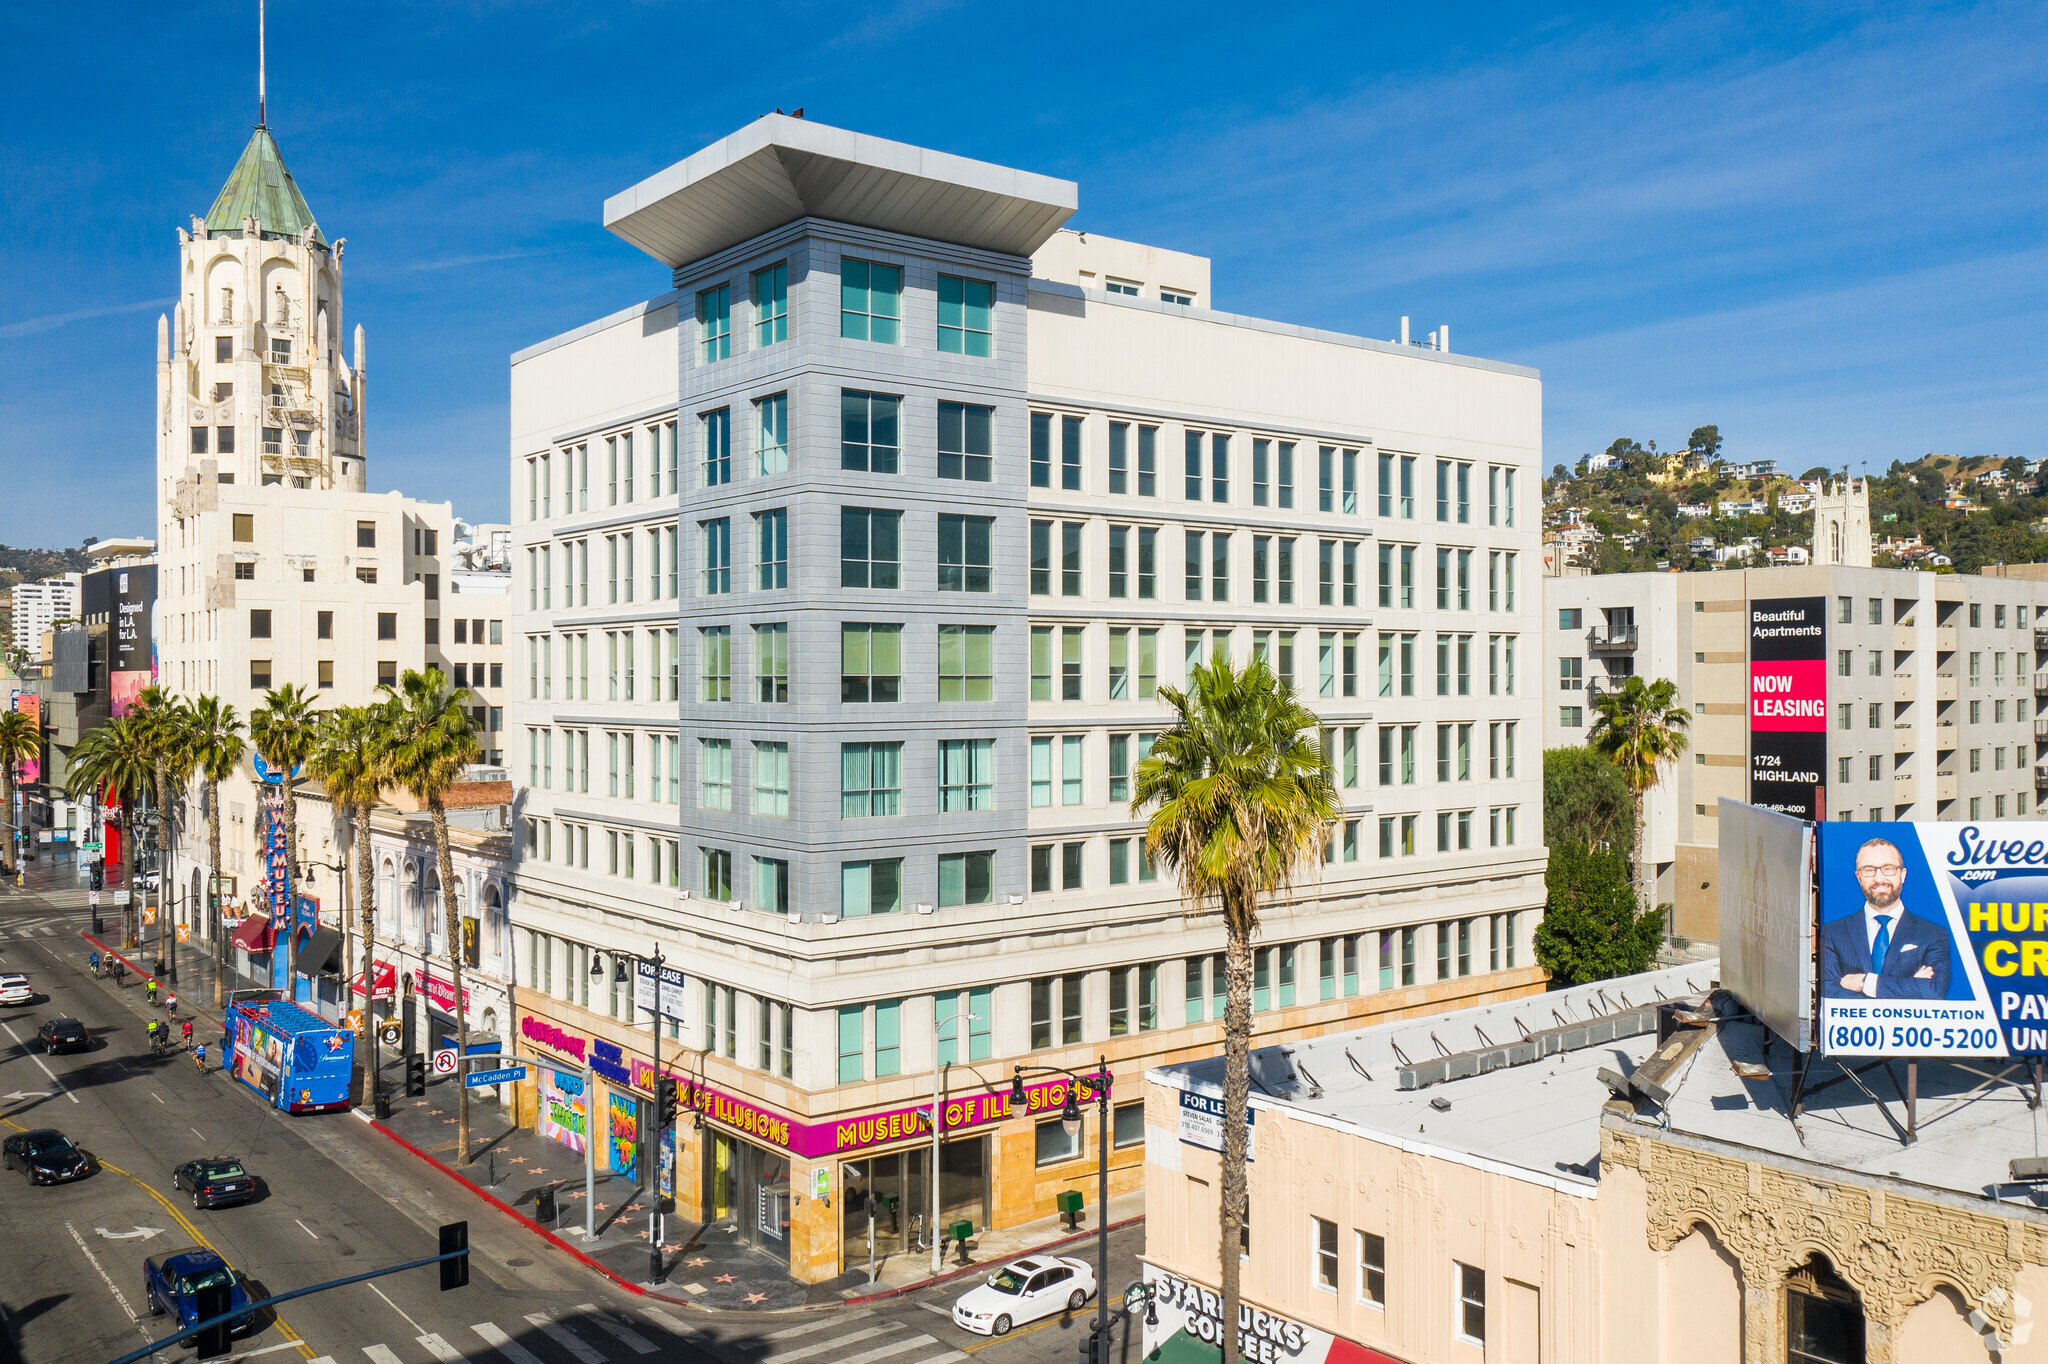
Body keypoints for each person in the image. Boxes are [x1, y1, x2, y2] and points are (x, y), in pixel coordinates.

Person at [1821, 836, 1954, 1000]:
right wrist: (1911, 985)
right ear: (1858, 877)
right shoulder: (1833, 933)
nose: (1879, 878)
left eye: (1888, 869)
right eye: (1869, 870)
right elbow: (1829, 991)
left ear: (1902, 874)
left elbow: (1933, 990)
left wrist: (1865, 982)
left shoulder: (1932, 933)